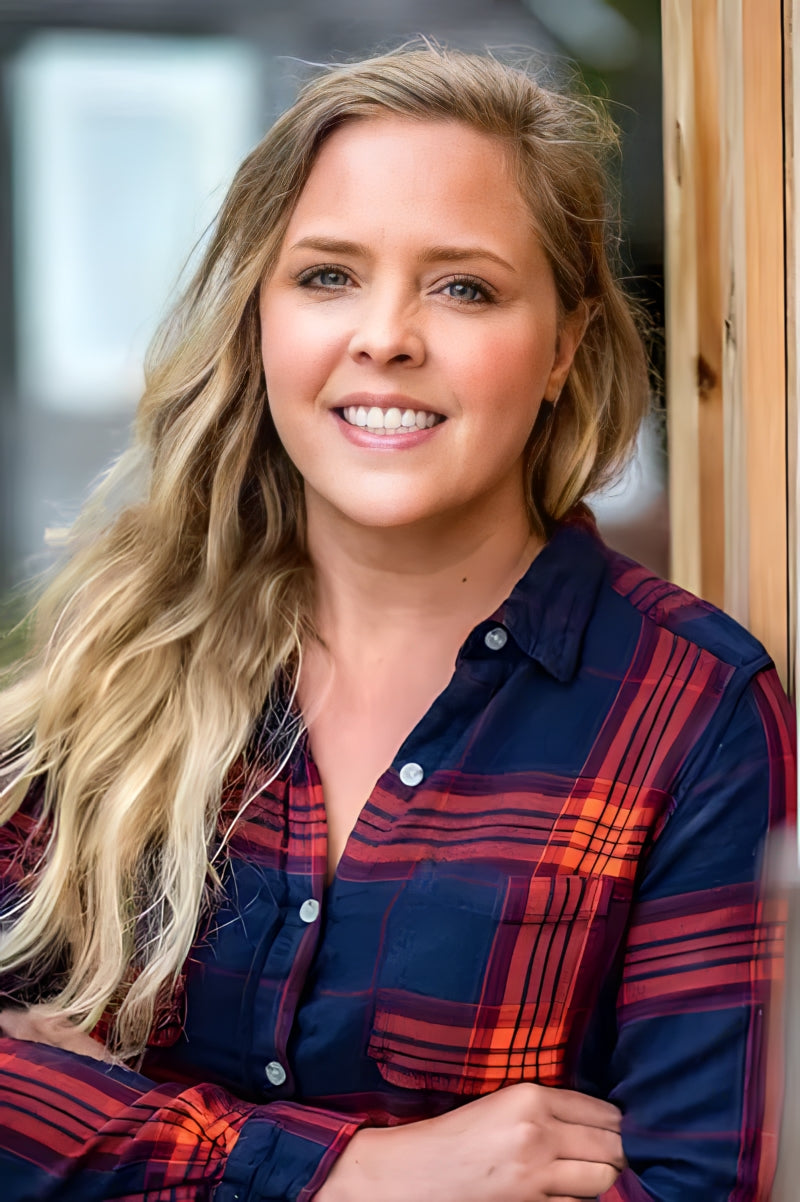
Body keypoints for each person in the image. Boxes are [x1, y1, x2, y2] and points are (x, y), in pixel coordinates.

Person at [0, 42, 793, 1202]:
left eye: (462, 286)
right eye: (327, 275)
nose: (385, 336)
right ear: (261, 316)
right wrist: (351, 1169)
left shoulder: (692, 712)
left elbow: (687, 1185)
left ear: (564, 346)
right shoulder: (123, 658)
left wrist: (111, 1132)